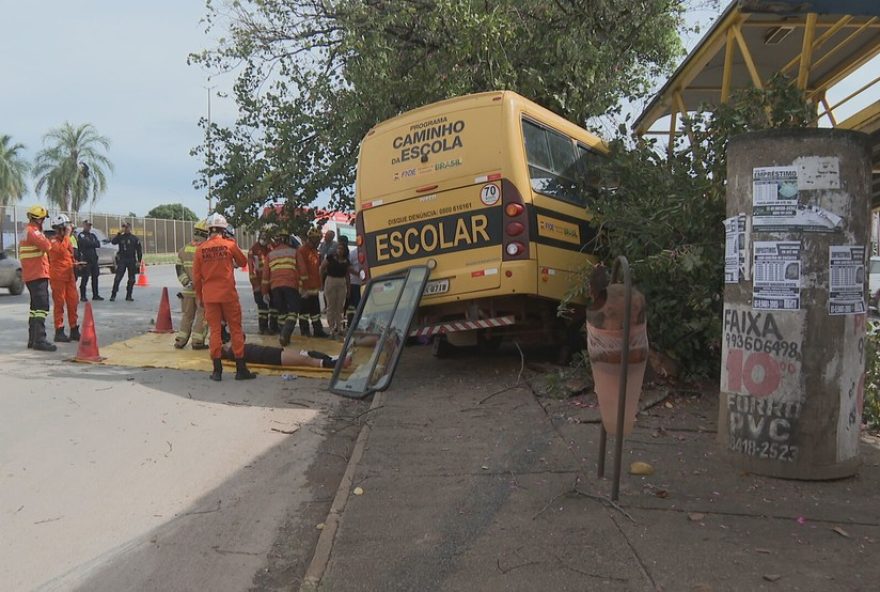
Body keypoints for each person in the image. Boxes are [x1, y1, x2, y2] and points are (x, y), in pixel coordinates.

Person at [192, 212, 256, 381]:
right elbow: (243, 262)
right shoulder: (229, 245)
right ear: (224, 229)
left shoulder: (200, 250)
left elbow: (197, 278)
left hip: (210, 296)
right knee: (235, 329)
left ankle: (217, 371)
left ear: (208, 230)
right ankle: (241, 369)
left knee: (215, 332)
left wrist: (200, 297)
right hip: (228, 294)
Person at [19, 205, 57, 352]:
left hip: (30, 274)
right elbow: (48, 246)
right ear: (39, 219)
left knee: (35, 308)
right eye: (43, 219)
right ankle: (40, 340)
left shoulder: (25, 231)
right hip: (38, 274)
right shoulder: (34, 232)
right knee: (42, 307)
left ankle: (32, 339)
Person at [174, 219, 209, 350]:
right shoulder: (205, 249)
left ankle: (180, 340)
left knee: (187, 316)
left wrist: (186, 282)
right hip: (202, 290)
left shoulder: (184, 249)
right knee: (202, 315)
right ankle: (197, 342)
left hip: (187, 290)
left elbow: (178, 268)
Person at [263, 231, 301, 347]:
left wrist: (265, 292)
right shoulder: (294, 252)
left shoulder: (271, 254)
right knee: (293, 311)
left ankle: (283, 335)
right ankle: (285, 333)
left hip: (275, 287)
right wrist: (303, 286)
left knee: (282, 312)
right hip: (291, 285)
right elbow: (302, 270)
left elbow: (265, 276)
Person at [47, 214, 82, 342]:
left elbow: (68, 255)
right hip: (58, 277)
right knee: (59, 303)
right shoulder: (53, 241)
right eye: (66, 228)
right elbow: (61, 251)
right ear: (60, 229)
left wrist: (75, 263)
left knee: (73, 302)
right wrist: (67, 235)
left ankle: (74, 329)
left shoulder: (67, 240)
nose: (69, 230)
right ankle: (59, 331)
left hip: (69, 275)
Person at [219, 342, 352, 370]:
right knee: (306, 360)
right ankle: (337, 364)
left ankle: (334, 358)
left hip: (271, 351)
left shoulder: (233, 348)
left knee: (304, 354)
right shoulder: (232, 351)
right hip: (270, 356)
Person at [297, 228, 329, 337]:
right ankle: (305, 331)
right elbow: (301, 270)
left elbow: (316, 269)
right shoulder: (302, 251)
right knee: (304, 313)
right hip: (305, 288)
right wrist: (303, 288)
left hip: (314, 287)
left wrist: (320, 283)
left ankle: (318, 331)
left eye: (319, 239)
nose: (319, 242)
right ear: (311, 239)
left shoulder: (315, 251)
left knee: (315, 312)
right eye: (317, 239)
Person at [320, 243, 351, 339]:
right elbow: (322, 268)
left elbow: (347, 275)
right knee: (331, 306)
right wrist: (321, 282)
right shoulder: (330, 258)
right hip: (331, 280)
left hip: (341, 282)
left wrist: (348, 288)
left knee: (340, 306)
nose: (340, 250)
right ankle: (331, 328)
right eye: (339, 248)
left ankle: (339, 327)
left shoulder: (346, 261)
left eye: (342, 249)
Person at [110, 222, 143, 302]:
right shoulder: (120, 237)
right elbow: (113, 242)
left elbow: (139, 250)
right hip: (122, 260)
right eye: (124, 227)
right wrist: (119, 233)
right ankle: (113, 294)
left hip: (131, 260)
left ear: (130, 228)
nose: (126, 229)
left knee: (131, 279)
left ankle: (129, 295)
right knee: (118, 278)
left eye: (127, 227)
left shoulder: (134, 238)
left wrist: (139, 261)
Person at [248, 229, 272, 334]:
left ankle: (269, 327)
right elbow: (251, 269)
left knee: (270, 306)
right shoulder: (254, 250)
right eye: (262, 238)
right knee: (262, 307)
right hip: (258, 282)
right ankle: (263, 328)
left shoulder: (269, 248)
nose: (264, 240)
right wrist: (256, 285)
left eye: (266, 238)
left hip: (268, 282)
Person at [76, 220, 103, 301]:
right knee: (85, 278)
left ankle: (96, 295)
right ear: (84, 225)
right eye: (87, 225)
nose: (89, 227)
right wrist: (92, 243)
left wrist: (91, 243)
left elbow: (98, 244)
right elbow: (84, 243)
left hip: (94, 259)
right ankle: (83, 296)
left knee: (95, 277)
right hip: (86, 260)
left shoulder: (93, 235)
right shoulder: (81, 235)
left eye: (90, 226)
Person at [339, 235, 362, 327]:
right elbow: (348, 267)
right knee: (352, 305)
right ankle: (351, 323)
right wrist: (358, 274)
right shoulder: (353, 253)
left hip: (363, 283)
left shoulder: (367, 251)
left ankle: (356, 324)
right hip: (354, 283)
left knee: (359, 305)